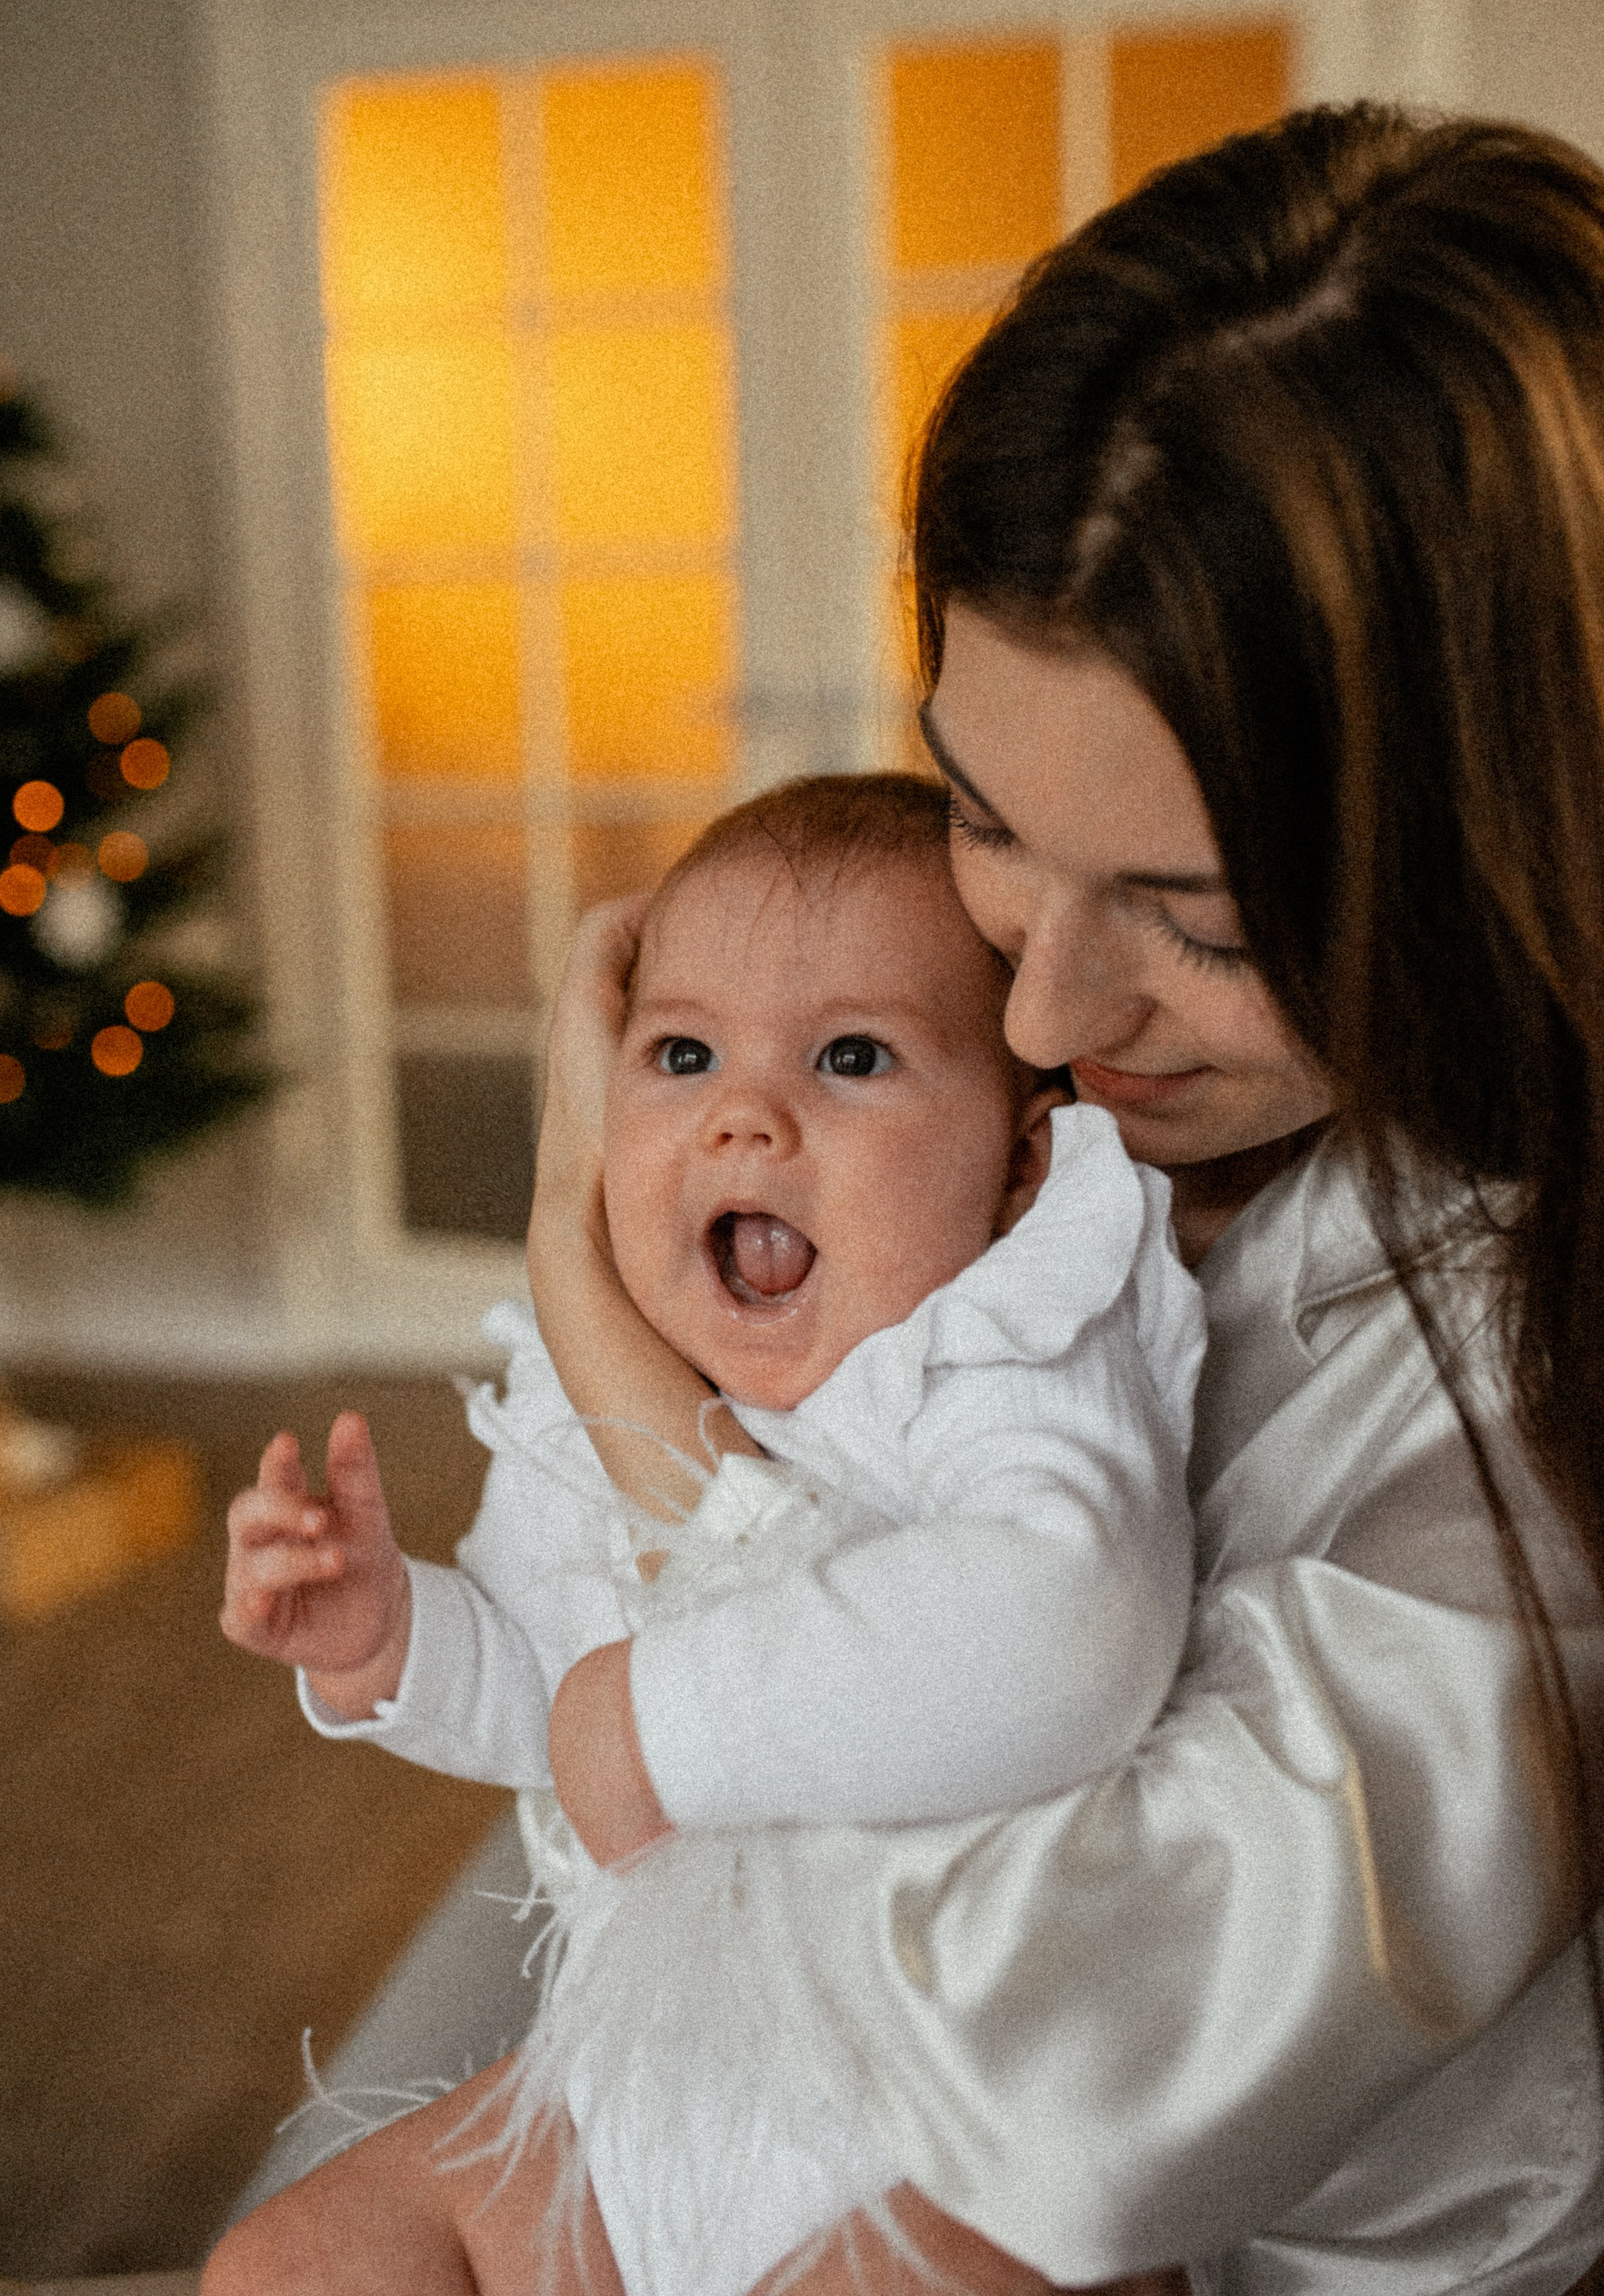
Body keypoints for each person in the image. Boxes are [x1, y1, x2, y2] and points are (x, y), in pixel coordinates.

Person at [208, 95, 1604, 2296]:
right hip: (757, 2050)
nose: (1040, 1008)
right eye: (986, 815)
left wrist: (615, 1341)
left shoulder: (1519, 1437)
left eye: (1204, 917)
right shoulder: (1061, 1141)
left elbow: (1042, 2050)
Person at [210, 774, 1204, 2296]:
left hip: (950, 2123)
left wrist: (658, 1716)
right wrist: (392, 1636)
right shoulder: (602, 1384)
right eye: (681, 1054)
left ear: (1017, 1161)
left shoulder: (999, 1349)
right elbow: (555, 1688)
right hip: (637, 2117)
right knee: (295, 2261)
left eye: (852, 1056)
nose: (747, 1112)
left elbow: (1066, 1623)